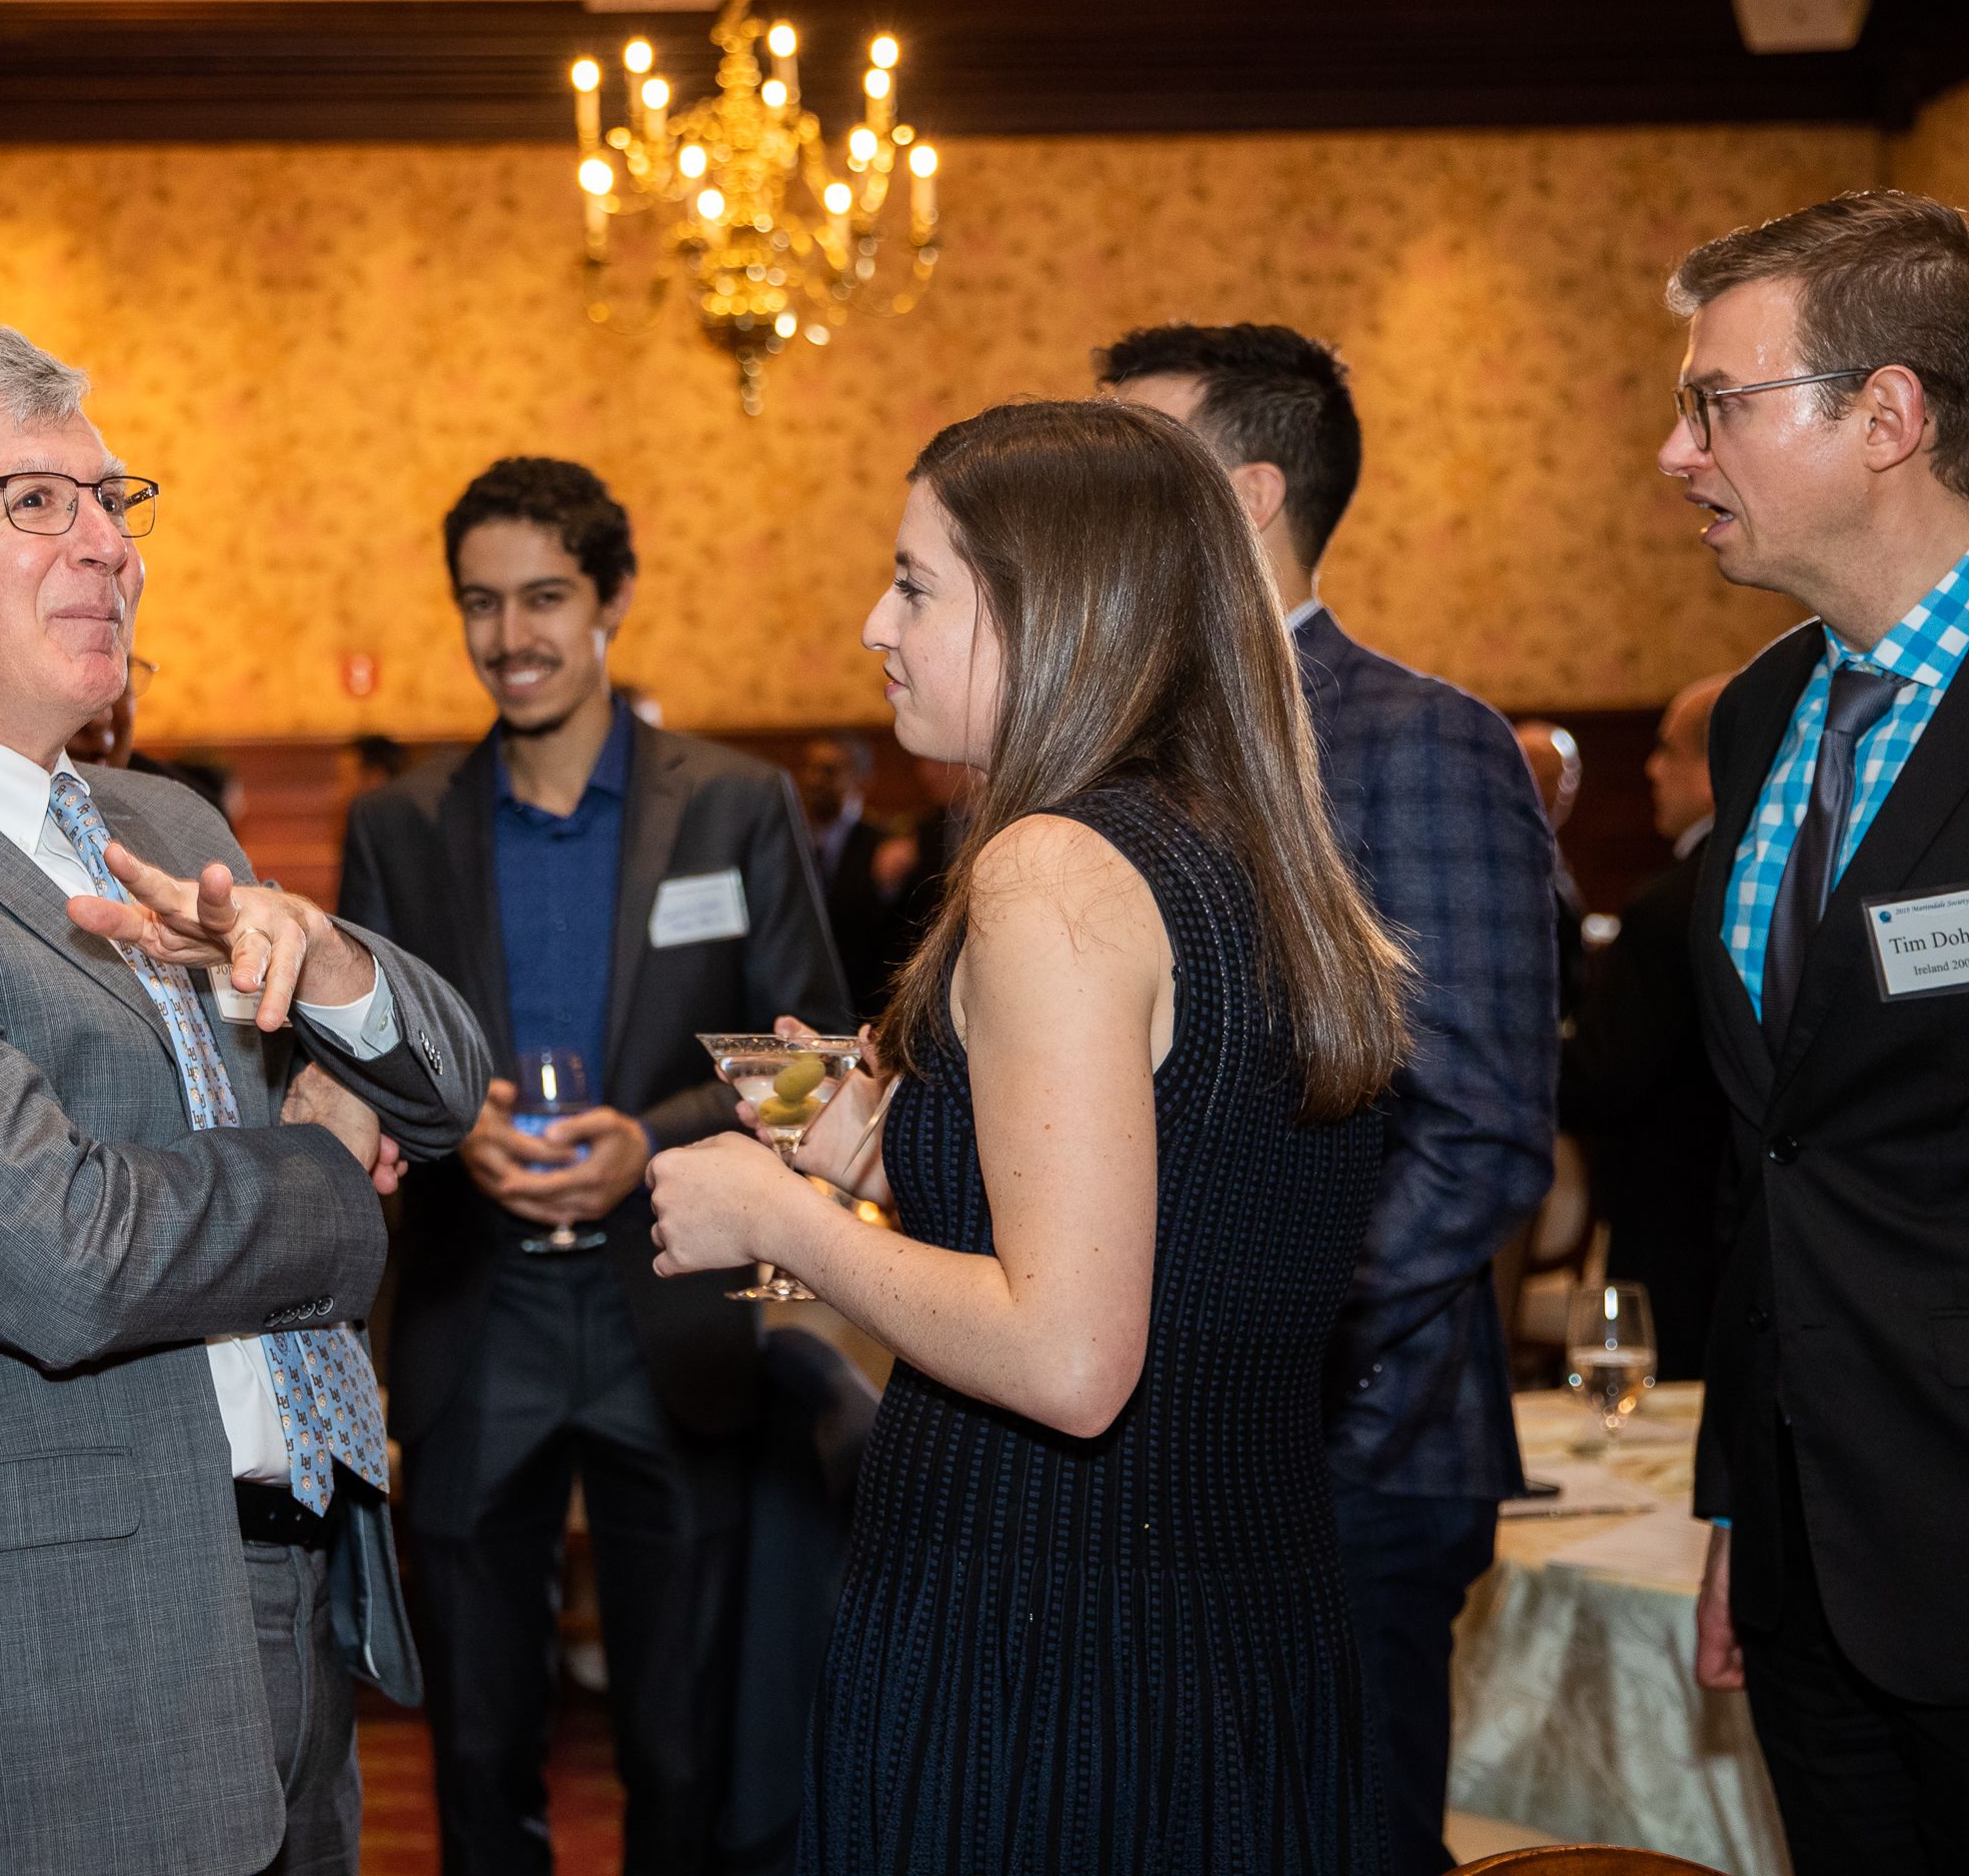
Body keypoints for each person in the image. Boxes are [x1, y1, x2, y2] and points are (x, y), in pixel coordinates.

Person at [0, 325, 489, 1876]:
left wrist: (324, 962)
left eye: (110, 499)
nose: (114, 548)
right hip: (56, 1672)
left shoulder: (154, 817)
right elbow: (64, 1256)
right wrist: (320, 1166)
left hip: (293, 1596)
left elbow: (449, 1085)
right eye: (39, 505)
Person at [649, 399, 1412, 1870]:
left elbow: (1070, 1357)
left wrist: (779, 1220)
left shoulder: (1049, 869)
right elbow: (1173, 1202)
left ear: (1053, 611)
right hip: (1236, 1626)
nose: (875, 622)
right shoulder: (1236, 844)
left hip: (1050, 1643)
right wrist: (867, 1142)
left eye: (917, 583)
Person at [335, 457, 852, 1876]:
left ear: (614, 599)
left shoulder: (735, 805)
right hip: (472, 1315)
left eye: (547, 598)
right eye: (483, 605)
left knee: (681, 1750)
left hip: (672, 1310)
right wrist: (449, 1129)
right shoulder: (399, 827)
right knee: (478, 1746)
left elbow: (818, 1068)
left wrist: (654, 1141)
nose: (514, 637)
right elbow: (359, 1065)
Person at [1101, 322, 1557, 1876]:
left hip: (1350, 1455)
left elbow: (1480, 1135)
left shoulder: (1418, 739)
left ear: (1246, 498)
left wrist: (1244, 1341)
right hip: (1144, 1448)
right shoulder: (1112, 749)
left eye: (1132, 467)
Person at [1659, 189, 1969, 1875]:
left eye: (1717, 402)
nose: (1679, 452)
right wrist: (1744, 1501)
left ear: (1891, 417)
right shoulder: (1755, 716)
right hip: (1812, 1563)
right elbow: (1774, 1160)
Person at [1559, 674, 1732, 1382]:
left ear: (1717, 764)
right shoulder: (1781, 878)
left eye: (1667, 750)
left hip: (1676, 1226)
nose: (1651, 769)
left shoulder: (1670, 907)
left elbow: (1607, 1076)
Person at [797, 734, 901, 1016]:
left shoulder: (886, 844)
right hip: (806, 1006)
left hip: (865, 1006)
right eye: (810, 768)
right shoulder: (791, 841)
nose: (814, 779)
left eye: (829, 771)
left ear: (861, 778)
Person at [1513, 719, 1592, 1019]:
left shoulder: (1552, 844)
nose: (1563, 789)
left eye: (1569, 775)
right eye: (1546, 776)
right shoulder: (1514, 853)